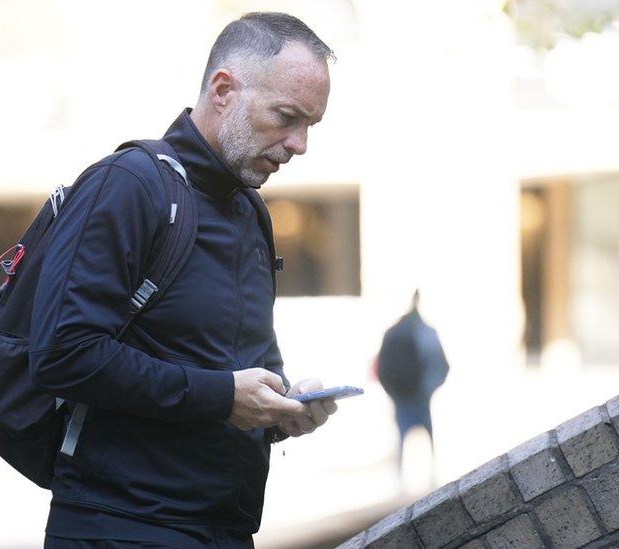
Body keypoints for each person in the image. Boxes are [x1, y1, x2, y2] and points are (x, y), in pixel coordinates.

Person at [28, 12, 337, 549]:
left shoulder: (249, 210)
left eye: (311, 124)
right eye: (287, 116)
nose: (300, 143)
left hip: (223, 528)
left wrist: (283, 402)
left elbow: (240, 366)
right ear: (223, 90)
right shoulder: (128, 186)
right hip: (120, 529)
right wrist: (221, 396)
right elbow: (62, 353)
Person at [376, 290, 450, 478]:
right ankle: (431, 477)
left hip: (401, 396)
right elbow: (442, 366)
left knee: (401, 440)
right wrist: (428, 390)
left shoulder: (392, 333)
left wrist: (393, 393)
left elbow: (381, 368)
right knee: (427, 439)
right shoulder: (426, 333)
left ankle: (399, 481)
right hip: (419, 397)